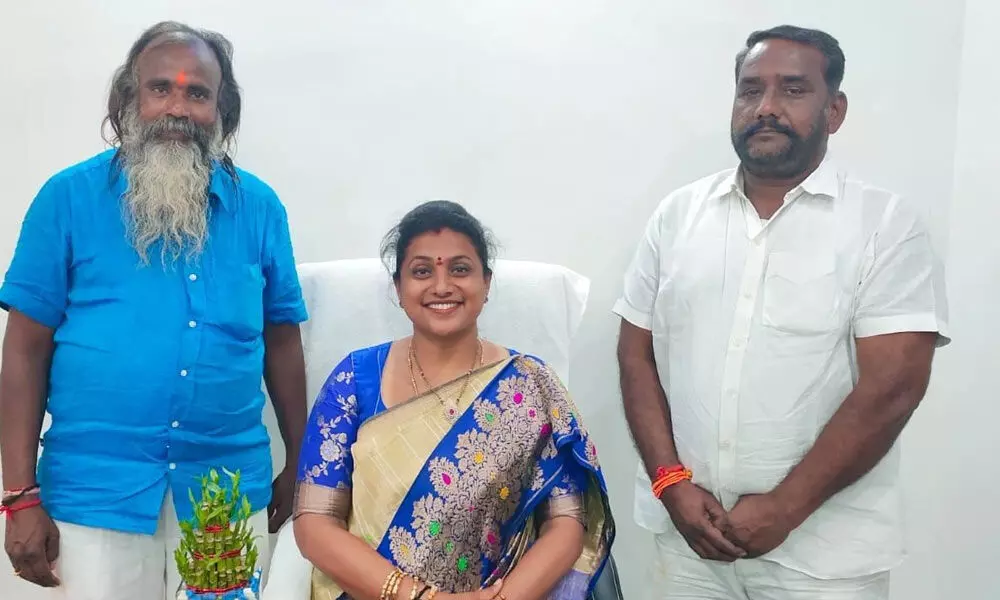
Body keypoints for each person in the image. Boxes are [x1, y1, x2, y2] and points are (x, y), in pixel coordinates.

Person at [614, 25, 949, 600]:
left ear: (834, 110)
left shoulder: (885, 226)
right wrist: (670, 481)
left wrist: (785, 508)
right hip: (689, 544)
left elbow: (892, 388)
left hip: (825, 557)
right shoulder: (678, 215)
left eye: (793, 90)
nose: (765, 108)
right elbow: (635, 351)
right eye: (750, 90)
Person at [0, 21, 308, 599]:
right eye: (160, 88)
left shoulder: (260, 209)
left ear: (223, 110)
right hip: (96, 494)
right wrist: (18, 493)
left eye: (198, 93)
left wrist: (302, 460)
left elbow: (282, 340)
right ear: (128, 100)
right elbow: (24, 350)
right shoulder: (66, 200)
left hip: (226, 495)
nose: (178, 107)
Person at [293, 200, 614, 600]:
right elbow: (315, 521)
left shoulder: (531, 383)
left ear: (487, 282)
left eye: (460, 269)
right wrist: (419, 597)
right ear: (399, 288)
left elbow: (566, 521)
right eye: (422, 271)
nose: (442, 286)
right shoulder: (353, 380)